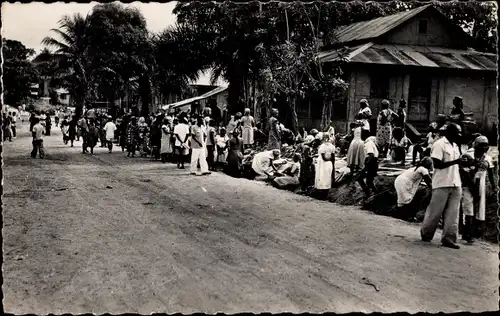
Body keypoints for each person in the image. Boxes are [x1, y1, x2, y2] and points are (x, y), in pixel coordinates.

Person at [420, 123, 465, 249]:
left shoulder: (455, 146)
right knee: (435, 211)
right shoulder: (439, 144)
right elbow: (438, 164)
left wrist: (463, 163)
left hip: (456, 182)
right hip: (441, 183)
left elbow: (457, 164)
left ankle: (449, 238)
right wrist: (456, 161)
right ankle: (426, 233)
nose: (460, 135)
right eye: (458, 132)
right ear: (450, 132)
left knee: (453, 213)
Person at [461, 136, 495, 243]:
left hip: (482, 184)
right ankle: (467, 233)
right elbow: (464, 172)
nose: (484, 147)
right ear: (476, 145)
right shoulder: (468, 155)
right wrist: (473, 187)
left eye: (486, 145)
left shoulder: (488, 158)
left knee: (479, 208)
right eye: (481, 145)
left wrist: (494, 187)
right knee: (468, 207)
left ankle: (473, 232)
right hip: (468, 183)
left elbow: (490, 174)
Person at [357, 130, 380, 198]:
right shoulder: (368, 142)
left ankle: (370, 193)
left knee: (360, 178)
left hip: (371, 163)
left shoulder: (368, 143)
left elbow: (371, 156)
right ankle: (372, 194)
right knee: (368, 181)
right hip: (371, 162)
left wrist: (365, 167)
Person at [314, 133, 336, 199]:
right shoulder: (332, 146)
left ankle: (321, 195)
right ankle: (325, 195)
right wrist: (331, 162)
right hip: (329, 164)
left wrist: (328, 159)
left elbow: (324, 158)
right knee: (327, 178)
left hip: (323, 164)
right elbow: (333, 158)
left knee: (322, 177)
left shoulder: (322, 146)